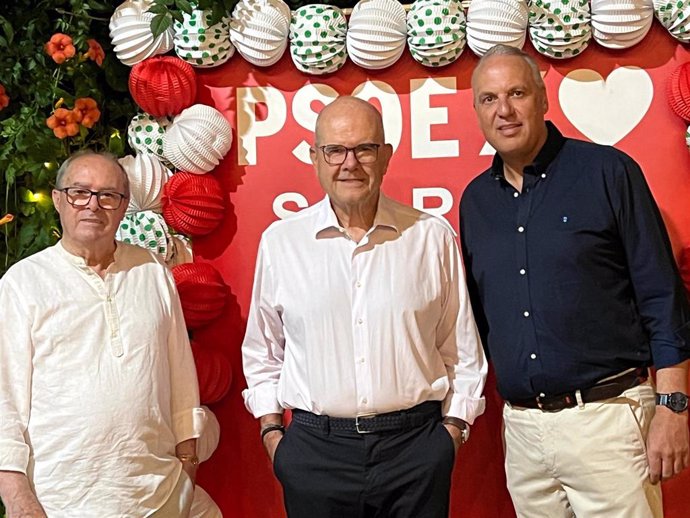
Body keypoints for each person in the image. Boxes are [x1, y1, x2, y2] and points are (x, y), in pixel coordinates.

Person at [460, 44, 690, 518]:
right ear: (478, 112)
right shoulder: (476, 202)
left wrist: (673, 407)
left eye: (516, 93)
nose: (503, 110)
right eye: (488, 99)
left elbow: (662, 295)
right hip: (523, 431)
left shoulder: (607, 171)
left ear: (543, 99)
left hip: (608, 422)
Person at [242, 96, 488, 518]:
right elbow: (262, 350)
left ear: (386, 156)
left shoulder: (430, 237)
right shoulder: (282, 242)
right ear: (316, 158)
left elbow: (461, 347)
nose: (349, 163)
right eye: (335, 150)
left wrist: (451, 432)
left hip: (415, 452)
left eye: (364, 149)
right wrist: (271, 432)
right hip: (315, 455)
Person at [0, 150, 205, 517]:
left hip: (158, 496)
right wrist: (18, 500)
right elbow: (4, 401)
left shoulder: (152, 271)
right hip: (60, 501)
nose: (93, 205)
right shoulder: (23, 283)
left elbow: (180, 374)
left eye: (108, 195)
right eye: (80, 192)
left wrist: (187, 465)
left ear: (124, 206)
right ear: (59, 199)